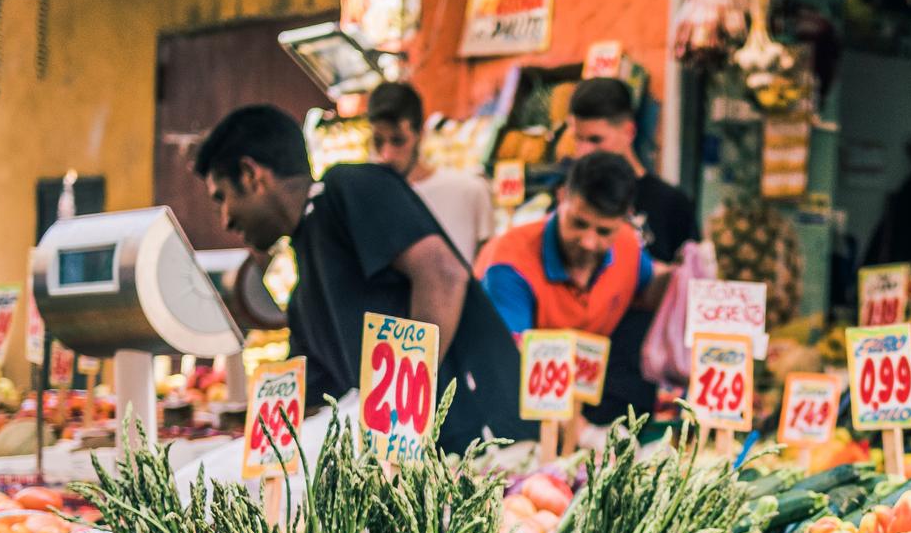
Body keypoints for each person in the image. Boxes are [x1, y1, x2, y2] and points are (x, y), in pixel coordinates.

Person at [195, 104, 530, 451]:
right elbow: (311, 400)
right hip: (410, 472)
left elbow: (443, 275)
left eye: (222, 198)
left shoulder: (347, 188)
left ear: (252, 175)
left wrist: (399, 412)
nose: (225, 221)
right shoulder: (304, 291)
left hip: (484, 448)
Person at [566, 77, 699, 419]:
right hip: (575, 374)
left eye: (595, 139)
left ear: (628, 131)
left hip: (645, 377)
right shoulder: (567, 197)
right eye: (577, 139)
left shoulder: (671, 204)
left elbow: (689, 294)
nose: (583, 151)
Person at [476, 152, 672, 374]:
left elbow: (652, 284)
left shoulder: (627, 244)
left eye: (604, 231)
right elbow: (506, 364)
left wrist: (687, 273)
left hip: (584, 390)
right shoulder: (509, 264)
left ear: (625, 218)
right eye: (578, 223)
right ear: (561, 197)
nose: (588, 242)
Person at [365, 81, 496, 263]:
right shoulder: (366, 202)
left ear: (421, 133)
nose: (386, 155)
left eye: (398, 140)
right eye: (378, 141)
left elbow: (485, 270)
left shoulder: (470, 191)